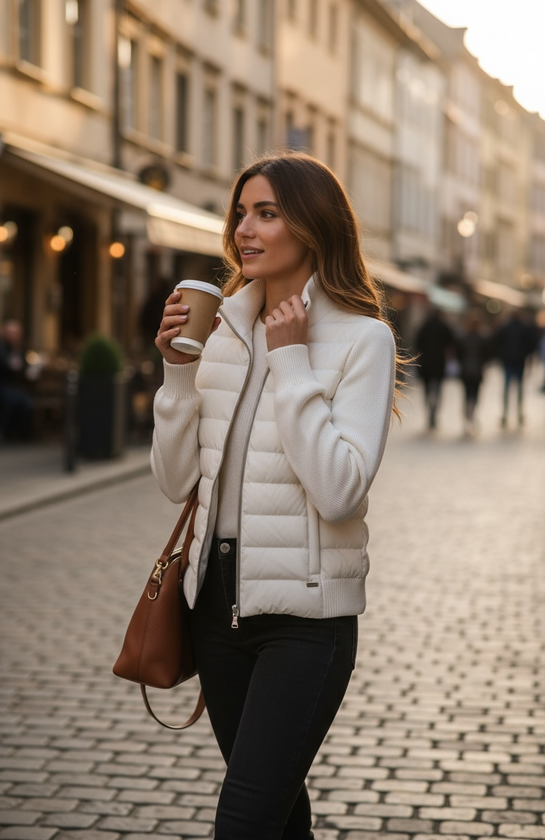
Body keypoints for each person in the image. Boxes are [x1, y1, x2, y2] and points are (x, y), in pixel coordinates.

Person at [151, 152, 399, 840]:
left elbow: (339, 491)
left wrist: (291, 359)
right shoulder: (222, 332)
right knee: (278, 817)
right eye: (241, 213)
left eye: (267, 213)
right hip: (214, 608)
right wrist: (177, 374)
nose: (244, 230)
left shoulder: (363, 339)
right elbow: (175, 482)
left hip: (306, 621)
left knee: (243, 821)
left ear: (313, 225)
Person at [0, 320, 33, 442]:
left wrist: (17, 350)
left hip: (9, 387)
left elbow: (23, 367)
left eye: (17, 333)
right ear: (4, 333)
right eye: (12, 333)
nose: (14, 336)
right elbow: (4, 364)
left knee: (26, 401)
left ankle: (20, 433)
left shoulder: (19, 348)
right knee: (11, 399)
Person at [414, 307, 456, 429]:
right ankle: (434, 411)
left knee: (426, 389)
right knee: (438, 389)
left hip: (426, 363)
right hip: (439, 363)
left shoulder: (425, 326)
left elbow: (417, 343)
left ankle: (429, 408)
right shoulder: (444, 327)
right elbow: (451, 344)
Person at [494, 310, 537, 427]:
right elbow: (531, 344)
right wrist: (526, 355)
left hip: (508, 361)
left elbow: (497, 343)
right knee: (519, 388)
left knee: (507, 388)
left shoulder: (505, 327)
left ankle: (505, 413)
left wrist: (502, 356)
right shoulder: (524, 328)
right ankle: (519, 413)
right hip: (519, 361)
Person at [456, 313, 490, 435]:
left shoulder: (463, 338)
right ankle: (472, 413)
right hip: (477, 371)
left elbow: (458, 354)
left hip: (465, 371)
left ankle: (468, 415)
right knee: (475, 394)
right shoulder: (482, 339)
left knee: (466, 394)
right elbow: (487, 355)